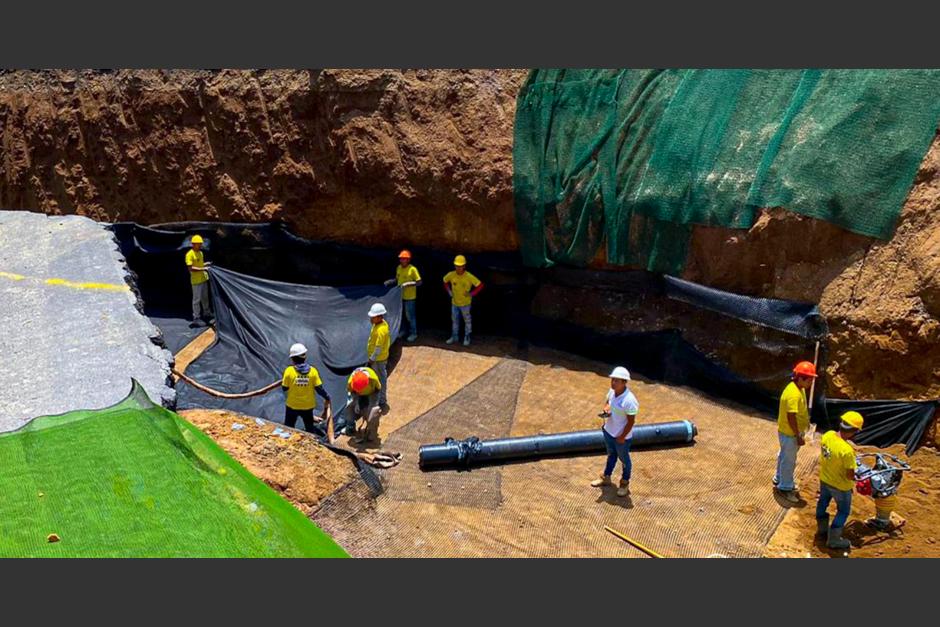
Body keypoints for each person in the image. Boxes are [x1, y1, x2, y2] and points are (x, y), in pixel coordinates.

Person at [816, 411, 864, 550]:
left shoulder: (827, 435)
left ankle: (822, 530)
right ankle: (834, 540)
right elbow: (850, 475)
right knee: (843, 511)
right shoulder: (847, 451)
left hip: (825, 479)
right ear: (854, 431)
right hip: (841, 486)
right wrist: (856, 477)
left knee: (822, 502)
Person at [773, 360, 816, 503]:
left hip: (789, 432)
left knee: (784, 456)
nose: (811, 383)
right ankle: (785, 488)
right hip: (790, 433)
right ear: (801, 378)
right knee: (789, 461)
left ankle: (779, 478)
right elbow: (791, 416)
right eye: (809, 380)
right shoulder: (793, 394)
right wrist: (798, 435)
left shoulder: (799, 389)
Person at [591, 366, 637, 497]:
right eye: (612, 380)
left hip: (621, 438)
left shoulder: (629, 400)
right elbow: (608, 402)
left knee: (624, 460)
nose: (613, 383)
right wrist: (606, 409)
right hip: (609, 432)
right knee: (611, 456)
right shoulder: (612, 391)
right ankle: (606, 477)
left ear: (624, 382)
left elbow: (631, 421)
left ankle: (624, 483)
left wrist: (622, 437)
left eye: (616, 381)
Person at [281, 343, 331, 433]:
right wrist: (327, 397)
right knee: (309, 428)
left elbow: (285, 388)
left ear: (292, 358)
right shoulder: (313, 371)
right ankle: (311, 443)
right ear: (305, 357)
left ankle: (287, 440)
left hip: (292, 405)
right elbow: (319, 389)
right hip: (307, 406)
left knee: (288, 427)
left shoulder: (289, 371)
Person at [443, 254, 483, 346]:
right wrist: (449, 291)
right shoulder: (451, 275)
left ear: (464, 266)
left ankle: (467, 336)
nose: (458, 268)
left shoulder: (469, 276)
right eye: (457, 266)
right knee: (455, 320)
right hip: (455, 303)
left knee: (467, 320)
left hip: (466, 304)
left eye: (460, 266)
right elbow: (444, 281)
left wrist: (472, 294)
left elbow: (480, 285)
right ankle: (454, 336)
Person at [384, 250, 421, 342]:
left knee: (410, 316)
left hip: (410, 297)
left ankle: (413, 333)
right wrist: (391, 281)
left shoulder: (412, 269)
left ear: (408, 260)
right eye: (401, 259)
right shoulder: (399, 268)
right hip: (400, 296)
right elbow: (397, 279)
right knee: (401, 315)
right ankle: (403, 331)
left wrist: (408, 284)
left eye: (404, 259)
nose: (402, 260)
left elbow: (419, 282)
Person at [347, 366, 383, 444]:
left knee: (373, 412)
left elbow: (378, 390)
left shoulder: (373, 378)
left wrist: (372, 406)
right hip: (357, 395)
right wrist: (356, 403)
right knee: (349, 407)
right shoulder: (351, 381)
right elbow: (351, 393)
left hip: (372, 393)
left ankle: (371, 432)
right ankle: (350, 426)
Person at [367, 302, 391, 413]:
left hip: (378, 360)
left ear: (379, 317)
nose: (371, 319)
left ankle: (380, 400)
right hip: (377, 359)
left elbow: (378, 347)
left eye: (373, 317)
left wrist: (372, 358)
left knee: (380, 379)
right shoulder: (379, 325)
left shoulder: (382, 330)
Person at [185, 234, 213, 328]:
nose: (200, 245)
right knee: (196, 300)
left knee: (205, 298)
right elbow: (191, 268)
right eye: (198, 244)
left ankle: (207, 313)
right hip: (196, 281)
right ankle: (196, 317)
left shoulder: (200, 253)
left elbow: (200, 264)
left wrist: (205, 264)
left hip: (203, 279)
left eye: (201, 244)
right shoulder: (189, 254)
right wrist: (203, 268)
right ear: (193, 244)